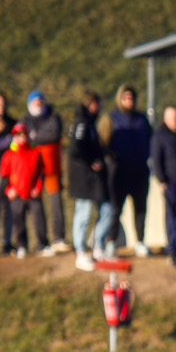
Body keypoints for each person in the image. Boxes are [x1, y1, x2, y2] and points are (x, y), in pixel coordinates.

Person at [107, 85, 150, 255]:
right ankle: (111, 241)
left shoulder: (142, 120)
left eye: (131, 98)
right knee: (116, 208)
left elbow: (150, 140)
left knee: (140, 209)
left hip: (140, 171)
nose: (129, 101)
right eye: (125, 98)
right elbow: (104, 142)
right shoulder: (112, 118)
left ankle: (140, 241)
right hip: (119, 172)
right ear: (120, 99)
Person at [65, 89, 106, 269]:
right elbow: (76, 149)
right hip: (81, 177)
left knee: (102, 209)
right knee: (83, 213)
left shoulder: (89, 123)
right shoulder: (81, 123)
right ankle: (80, 251)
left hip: (89, 177)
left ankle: (95, 247)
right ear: (91, 104)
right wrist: (91, 162)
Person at [20, 91, 62, 254]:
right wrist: (38, 136)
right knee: (36, 204)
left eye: (40, 101)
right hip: (32, 169)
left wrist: (34, 136)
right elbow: (21, 138)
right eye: (35, 102)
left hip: (52, 167)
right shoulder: (25, 120)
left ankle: (59, 238)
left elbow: (54, 134)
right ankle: (41, 242)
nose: (38, 104)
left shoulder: (53, 117)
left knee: (56, 202)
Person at [149, 105, 176, 264]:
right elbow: (156, 160)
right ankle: (173, 250)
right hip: (170, 183)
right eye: (172, 118)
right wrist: (162, 180)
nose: (175, 121)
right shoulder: (159, 137)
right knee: (172, 217)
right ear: (166, 119)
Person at [0, 127, 42, 257]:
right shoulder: (9, 155)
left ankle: (42, 244)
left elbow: (41, 173)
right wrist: (8, 190)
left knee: (39, 220)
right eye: (19, 135)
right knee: (18, 223)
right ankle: (21, 246)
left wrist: (38, 188)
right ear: (14, 137)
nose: (22, 138)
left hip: (32, 194)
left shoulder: (35, 152)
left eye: (24, 135)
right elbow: (4, 176)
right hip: (17, 195)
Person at [0, 94, 13, 257]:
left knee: (8, 210)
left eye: (2, 103)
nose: (0, 106)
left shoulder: (12, 123)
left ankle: (7, 243)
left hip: (9, 173)